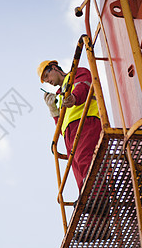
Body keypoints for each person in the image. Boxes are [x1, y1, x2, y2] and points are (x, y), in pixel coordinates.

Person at [37, 60, 102, 191]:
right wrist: (54, 112)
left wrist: (74, 97)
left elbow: (83, 86)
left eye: (47, 75)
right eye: (44, 79)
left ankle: (96, 194)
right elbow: (61, 126)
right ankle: (87, 196)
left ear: (54, 68)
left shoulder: (77, 73)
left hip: (85, 122)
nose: (47, 80)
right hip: (70, 133)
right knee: (77, 166)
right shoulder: (60, 95)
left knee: (86, 159)